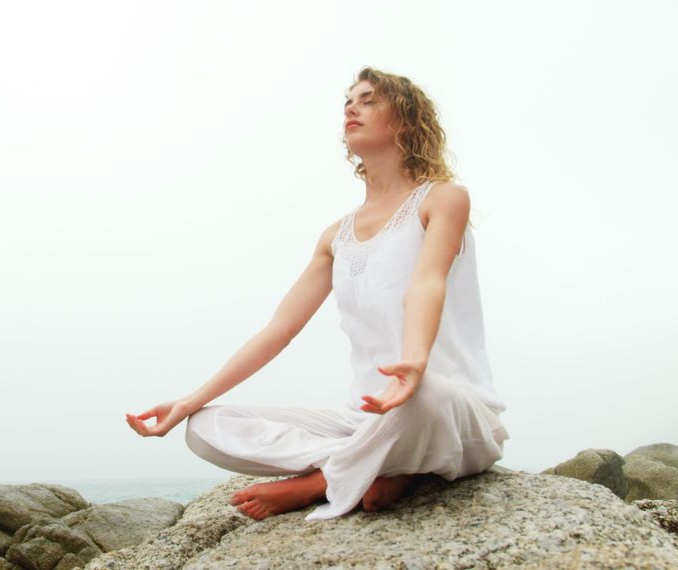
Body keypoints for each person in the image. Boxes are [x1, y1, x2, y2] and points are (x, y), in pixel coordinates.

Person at [125, 66, 509, 522]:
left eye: (369, 100)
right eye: (349, 101)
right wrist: (190, 399)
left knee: (423, 396)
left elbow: (428, 281)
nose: (352, 107)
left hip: (448, 410)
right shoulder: (335, 236)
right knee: (205, 429)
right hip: (364, 422)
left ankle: (321, 482)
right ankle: (379, 466)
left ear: (406, 119)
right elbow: (280, 330)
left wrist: (415, 361)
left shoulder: (442, 199)